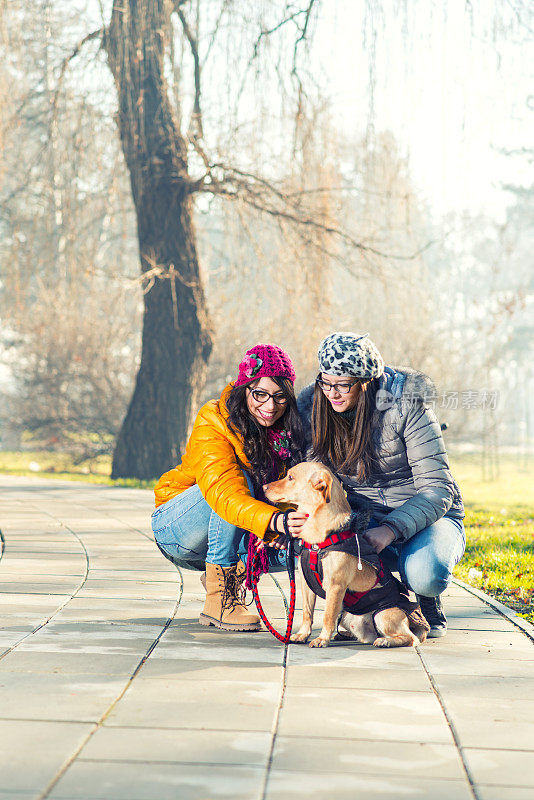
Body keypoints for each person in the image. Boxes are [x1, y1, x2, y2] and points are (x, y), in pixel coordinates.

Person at [297, 332, 465, 637]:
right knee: (326, 560)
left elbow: (437, 489)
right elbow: (311, 478)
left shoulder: (407, 406)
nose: (332, 393)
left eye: (343, 385)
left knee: (425, 574)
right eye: (326, 382)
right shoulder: (314, 408)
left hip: (428, 514)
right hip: (364, 514)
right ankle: (386, 603)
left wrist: (389, 530)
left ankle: (426, 598)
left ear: (366, 381)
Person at [151, 344, 307, 632]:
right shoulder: (214, 418)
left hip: (237, 531)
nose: (269, 406)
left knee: (304, 544)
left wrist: (285, 522)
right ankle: (218, 599)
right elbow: (225, 492)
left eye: (279, 396)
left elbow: (289, 489)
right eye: (260, 394)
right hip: (178, 528)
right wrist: (274, 521)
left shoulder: (291, 430)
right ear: (244, 388)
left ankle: (228, 577)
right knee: (241, 480)